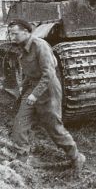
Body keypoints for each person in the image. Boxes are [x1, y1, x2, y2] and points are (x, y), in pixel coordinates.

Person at [8, 19, 86, 170]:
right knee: (20, 123)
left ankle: (76, 157)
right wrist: (24, 94)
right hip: (32, 88)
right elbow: (28, 74)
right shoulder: (22, 47)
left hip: (48, 89)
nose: (12, 38)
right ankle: (22, 160)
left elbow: (48, 74)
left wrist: (34, 95)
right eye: (10, 34)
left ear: (26, 31)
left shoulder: (40, 46)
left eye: (15, 34)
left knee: (53, 127)